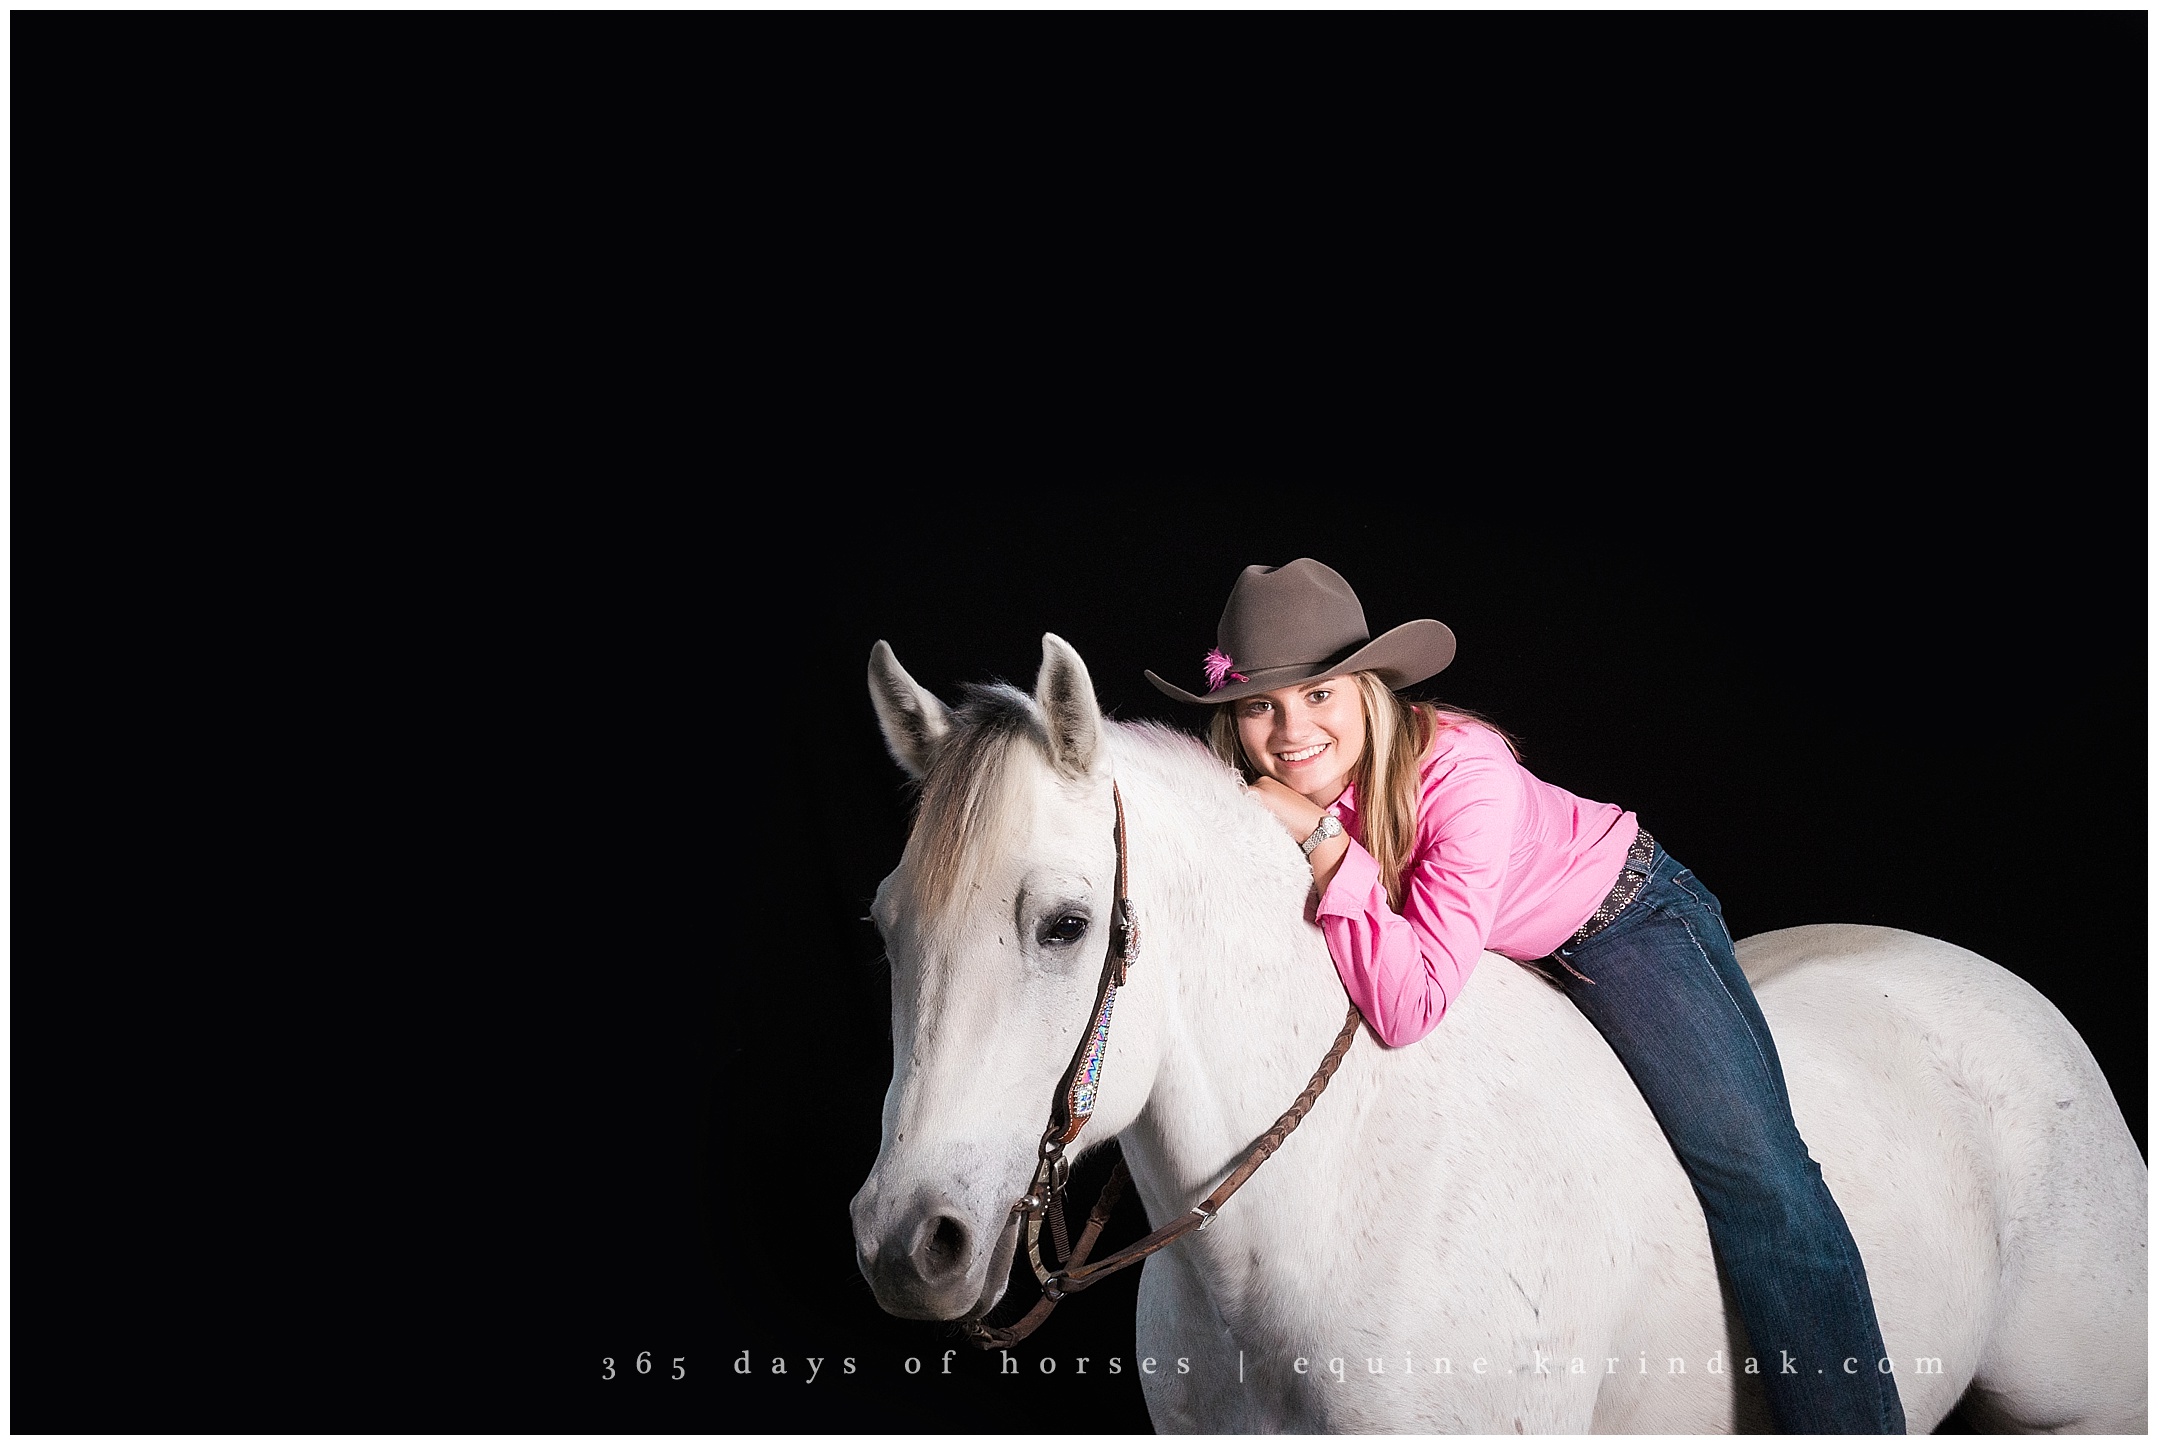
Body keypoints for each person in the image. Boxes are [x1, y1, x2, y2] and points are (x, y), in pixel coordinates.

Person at [1144, 558, 1906, 1436]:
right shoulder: (1255, 808)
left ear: (1368, 690)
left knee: (1758, 1175)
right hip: (1489, 956)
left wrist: (1320, 839)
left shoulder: (1464, 771)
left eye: (1318, 694)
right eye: (1260, 705)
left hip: (1620, 921)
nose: (1291, 731)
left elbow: (1411, 1000)